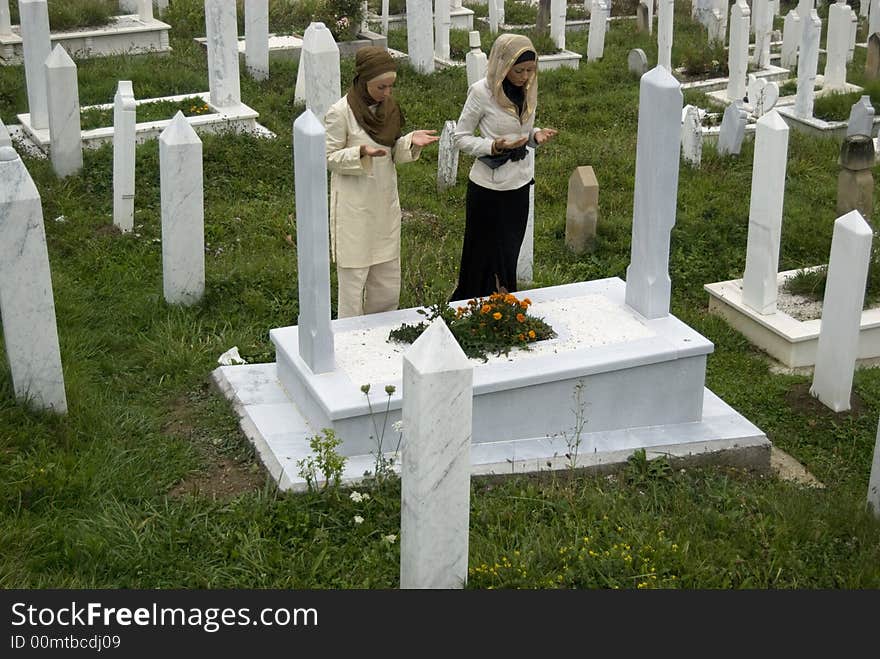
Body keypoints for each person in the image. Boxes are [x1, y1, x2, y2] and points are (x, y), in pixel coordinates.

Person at [324, 47, 439, 318]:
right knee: (353, 280)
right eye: (381, 86)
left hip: (384, 201)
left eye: (391, 86)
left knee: (386, 280)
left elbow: (391, 151)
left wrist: (409, 142)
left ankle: (381, 332)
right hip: (354, 206)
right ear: (364, 81)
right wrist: (360, 153)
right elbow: (327, 157)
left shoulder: (389, 109)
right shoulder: (340, 113)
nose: (387, 92)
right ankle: (350, 338)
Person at [450, 33, 558, 301]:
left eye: (530, 70)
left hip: (519, 184)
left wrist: (535, 136)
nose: (525, 76)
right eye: (519, 70)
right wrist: (493, 146)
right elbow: (460, 137)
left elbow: (523, 130)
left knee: (508, 254)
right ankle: (473, 308)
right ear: (502, 64)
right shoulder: (481, 92)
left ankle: (502, 307)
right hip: (489, 187)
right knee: (482, 257)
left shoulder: (527, 90)